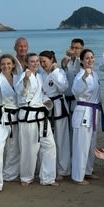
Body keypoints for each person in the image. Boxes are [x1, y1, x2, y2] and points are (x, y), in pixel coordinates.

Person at [16, 53, 58, 187]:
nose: (36, 63)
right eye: (32, 61)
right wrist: (25, 80)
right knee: (29, 149)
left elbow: (42, 94)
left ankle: (47, 178)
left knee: (49, 146)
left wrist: (47, 101)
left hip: (41, 116)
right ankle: (26, 177)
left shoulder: (39, 76)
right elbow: (21, 92)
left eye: (37, 61)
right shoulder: (23, 76)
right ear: (26, 63)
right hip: (28, 117)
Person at [0, 54, 21, 196]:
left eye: (8, 63)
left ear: (13, 65)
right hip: (0, 117)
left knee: (14, 148)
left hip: (15, 116)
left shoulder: (18, 78)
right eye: (3, 64)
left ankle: (10, 174)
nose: (6, 66)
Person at [71, 48, 104, 185]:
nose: (90, 60)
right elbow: (76, 91)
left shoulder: (94, 74)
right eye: (87, 58)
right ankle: (78, 176)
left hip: (93, 112)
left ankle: (88, 171)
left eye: (92, 57)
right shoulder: (80, 75)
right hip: (83, 111)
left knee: (91, 144)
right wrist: (84, 78)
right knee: (81, 146)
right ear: (82, 61)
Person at [39, 50, 71, 181]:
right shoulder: (40, 74)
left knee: (61, 140)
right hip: (45, 107)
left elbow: (63, 88)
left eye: (44, 61)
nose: (42, 64)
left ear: (52, 60)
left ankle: (63, 170)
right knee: (47, 141)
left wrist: (54, 73)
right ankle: (47, 168)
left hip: (59, 108)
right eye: (40, 62)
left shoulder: (60, 72)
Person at [62, 38, 84, 113]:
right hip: (66, 98)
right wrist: (66, 59)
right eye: (72, 47)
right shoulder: (66, 60)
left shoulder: (84, 61)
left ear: (82, 49)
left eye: (76, 48)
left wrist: (77, 57)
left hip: (78, 99)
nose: (74, 50)